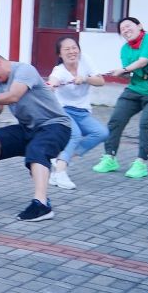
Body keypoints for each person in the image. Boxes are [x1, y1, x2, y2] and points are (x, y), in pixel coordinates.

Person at [0, 51, 73, 222]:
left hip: (56, 125)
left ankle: (41, 205)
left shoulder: (24, 70)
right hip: (29, 128)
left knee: (37, 150)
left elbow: (14, 96)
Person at [92, 17, 148, 179]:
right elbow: (129, 73)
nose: (125, 30)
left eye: (128, 26)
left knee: (147, 122)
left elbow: (143, 62)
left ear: (139, 26)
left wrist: (123, 69)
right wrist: (119, 73)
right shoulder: (125, 49)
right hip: (135, 89)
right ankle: (109, 157)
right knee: (116, 120)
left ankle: (141, 162)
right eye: (122, 29)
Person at [47, 37, 108, 189]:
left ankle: (61, 159)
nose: (72, 51)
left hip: (82, 112)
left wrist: (85, 79)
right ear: (60, 54)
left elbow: (100, 81)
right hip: (62, 110)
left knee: (101, 133)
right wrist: (51, 85)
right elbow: (53, 81)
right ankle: (60, 172)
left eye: (74, 48)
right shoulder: (59, 71)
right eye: (67, 49)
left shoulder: (85, 60)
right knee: (74, 135)